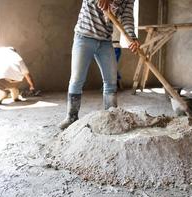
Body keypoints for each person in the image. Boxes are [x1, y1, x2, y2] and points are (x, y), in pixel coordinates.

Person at [59, 0, 140, 129]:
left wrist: (132, 38)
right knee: (76, 79)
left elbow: (127, 17)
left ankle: (112, 117)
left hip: (105, 41)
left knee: (111, 81)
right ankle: (71, 117)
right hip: (84, 37)